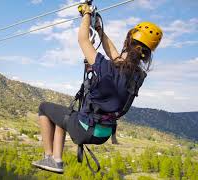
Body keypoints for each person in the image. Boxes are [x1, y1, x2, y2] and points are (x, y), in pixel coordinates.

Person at [32, 3, 162, 173]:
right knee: (62, 117)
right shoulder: (138, 76)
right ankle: (56, 159)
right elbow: (115, 55)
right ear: (146, 55)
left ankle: (51, 157)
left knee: (44, 107)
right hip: (104, 134)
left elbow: (83, 40)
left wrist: (86, 14)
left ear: (127, 42)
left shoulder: (107, 68)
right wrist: (99, 30)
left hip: (84, 129)